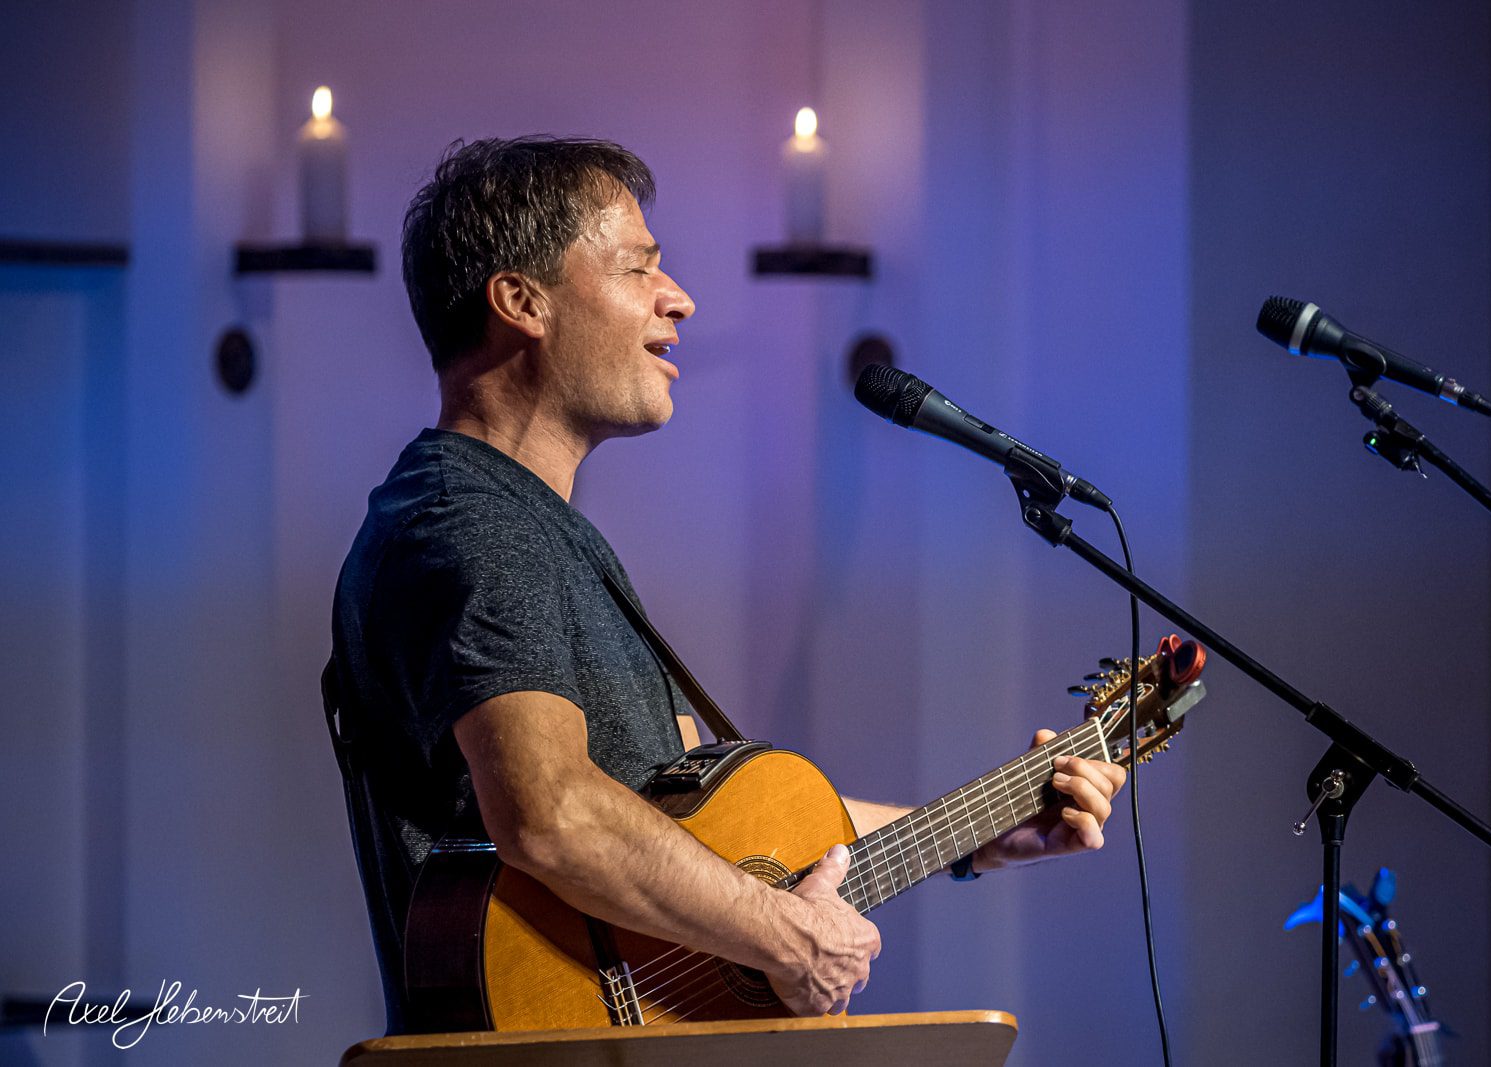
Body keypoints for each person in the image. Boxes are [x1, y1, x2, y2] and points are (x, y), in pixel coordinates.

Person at [330, 136, 1127, 1035]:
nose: (679, 298)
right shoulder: (468, 520)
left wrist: (986, 831)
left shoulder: (536, 529)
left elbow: (711, 840)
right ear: (522, 302)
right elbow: (551, 812)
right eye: (639, 267)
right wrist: (786, 937)